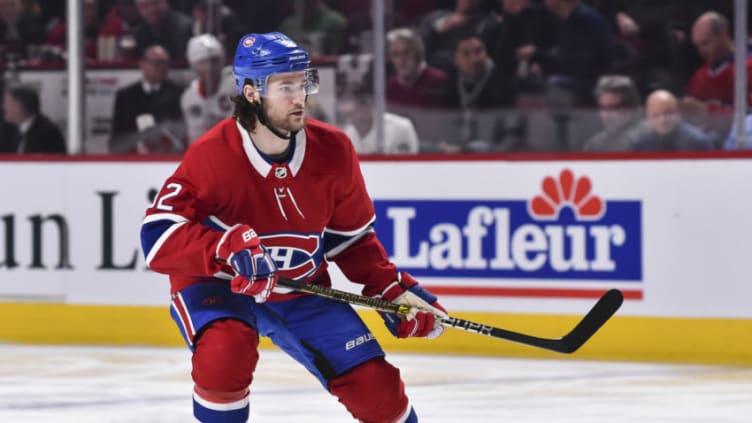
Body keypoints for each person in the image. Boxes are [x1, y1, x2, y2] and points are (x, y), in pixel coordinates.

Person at [139, 32, 446, 423]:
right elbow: (158, 236)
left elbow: (349, 240)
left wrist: (389, 287)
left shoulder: (334, 149)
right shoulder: (212, 155)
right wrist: (224, 247)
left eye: (303, 83)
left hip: (302, 287)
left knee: (379, 393)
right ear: (250, 92)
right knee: (225, 354)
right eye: (286, 87)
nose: (300, 97)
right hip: (222, 285)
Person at [681, 11, 752, 146]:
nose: (701, 51)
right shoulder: (698, 78)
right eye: (698, 46)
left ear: (723, 34)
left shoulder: (748, 67)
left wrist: (708, 112)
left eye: (706, 43)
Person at [109, 44, 185, 153]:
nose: (162, 67)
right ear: (143, 64)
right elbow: (117, 138)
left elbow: (181, 134)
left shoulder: (178, 94)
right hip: (132, 160)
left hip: (168, 158)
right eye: (157, 63)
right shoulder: (126, 96)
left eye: (165, 63)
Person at [181, 33, 236, 144]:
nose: (209, 67)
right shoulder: (189, 98)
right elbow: (195, 139)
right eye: (203, 62)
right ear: (194, 65)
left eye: (214, 61)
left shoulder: (237, 86)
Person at [339, 85, 420, 154]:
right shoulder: (347, 134)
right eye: (346, 116)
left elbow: (407, 167)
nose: (349, 122)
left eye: (352, 114)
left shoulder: (401, 128)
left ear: (369, 105)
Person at [633, 89, 714, 151]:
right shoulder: (641, 144)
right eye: (656, 115)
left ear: (678, 113)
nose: (663, 120)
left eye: (668, 113)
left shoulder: (698, 142)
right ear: (648, 117)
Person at [582, 75, 643, 152]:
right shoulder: (595, 146)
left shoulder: (650, 139)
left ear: (631, 108)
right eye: (602, 108)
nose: (605, 115)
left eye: (613, 108)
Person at [2, 84, 66, 154]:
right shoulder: (10, 130)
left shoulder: (48, 134)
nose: (3, 108)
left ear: (18, 107)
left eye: (6, 104)